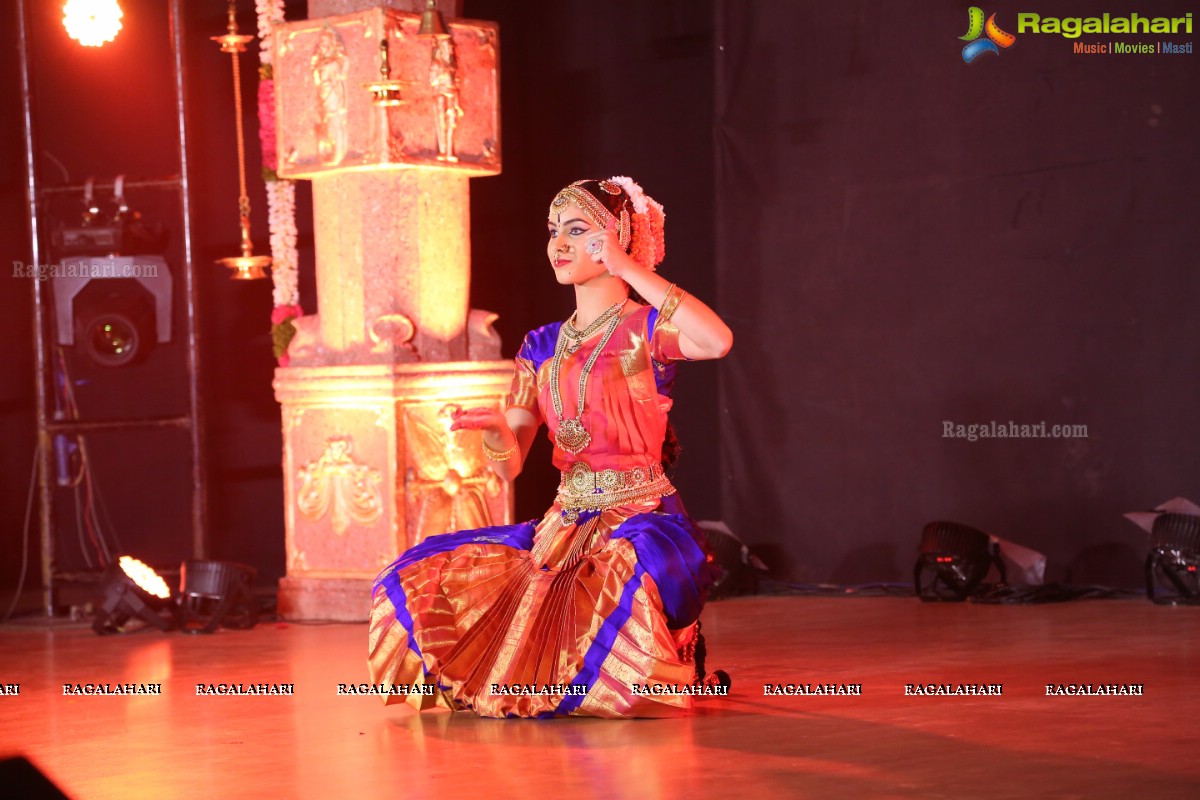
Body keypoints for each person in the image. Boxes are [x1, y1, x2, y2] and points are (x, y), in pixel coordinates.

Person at [368, 176, 733, 718]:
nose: (558, 244)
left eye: (577, 230)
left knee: (623, 571)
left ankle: (647, 671)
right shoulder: (540, 345)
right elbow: (510, 467)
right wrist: (497, 431)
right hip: (562, 527)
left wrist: (629, 269)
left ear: (617, 237)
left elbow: (717, 341)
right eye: (553, 230)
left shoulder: (646, 326)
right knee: (419, 574)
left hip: (641, 515)